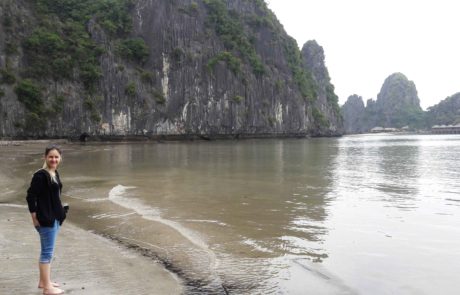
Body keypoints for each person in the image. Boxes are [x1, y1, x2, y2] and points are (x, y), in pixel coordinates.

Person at [26, 145, 67, 295]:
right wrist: (34, 217)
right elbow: (31, 196)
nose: (54, 159)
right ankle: (48, 289)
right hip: (46, 219)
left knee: (46, 251)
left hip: (53, 216)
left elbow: (55, 196)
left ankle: (44, 282)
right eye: (51, 156)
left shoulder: (54, 172)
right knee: (47, 253)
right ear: (45, 157)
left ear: (60, 158)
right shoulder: (41, 175)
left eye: (56, 157)